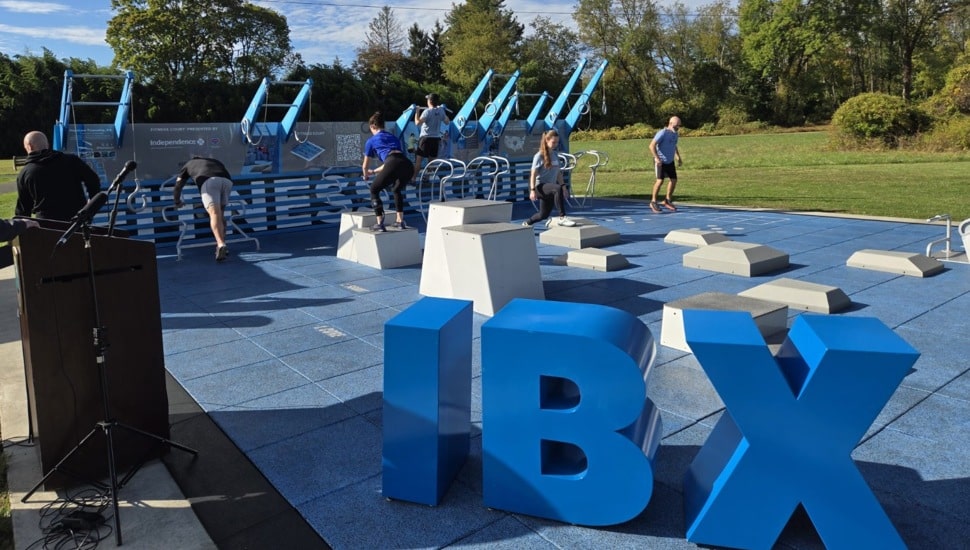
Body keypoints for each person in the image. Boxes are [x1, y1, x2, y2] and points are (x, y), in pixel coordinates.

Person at [15, 131, 102, 221]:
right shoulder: (72, 160)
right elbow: (93, 180)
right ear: (47, 144)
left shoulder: (25, 173)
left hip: (48, 223)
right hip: (76, 219)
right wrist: (91, 205)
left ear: (29, 146)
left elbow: (23, 209)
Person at [173, 156, 234, 262]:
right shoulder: (215, 161)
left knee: (214, 214)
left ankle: (220, 244)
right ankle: (223, 244)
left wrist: (177, 201)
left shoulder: (188, 164)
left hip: (210, 182)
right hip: (227, 181)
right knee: (220, 214)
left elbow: (178, 186)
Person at [362, 111, 414, 232]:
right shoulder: (393, 138)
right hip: (407, 164)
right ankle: (400, 221)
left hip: (393, 163)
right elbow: (392, 161)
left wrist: (365, 175)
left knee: (374, 189)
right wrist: (373, 172)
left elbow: (365, 165)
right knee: (396, 189)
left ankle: (380, 223)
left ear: (372, 126)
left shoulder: (371, 140)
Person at [521, 129, 576, 228]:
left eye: (557, 142)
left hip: (550, 188)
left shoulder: (555, 155)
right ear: (547, 140)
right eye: (553, 142)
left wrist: (564, 188)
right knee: (557, 188)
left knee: (543, 215)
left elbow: (558, 173)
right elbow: (533, 174)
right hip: (539, 187)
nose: (555, 144)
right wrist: (532, 190)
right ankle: (562, 217)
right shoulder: (539, 156)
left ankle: (526, 223)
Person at [648, 116, 683, 213]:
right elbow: (651, 145)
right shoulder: (662, 133)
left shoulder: (675, 134)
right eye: (676, 126)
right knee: (660, 181)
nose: (678, 128)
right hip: (660, 161)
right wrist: (657, 158)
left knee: (674, 180)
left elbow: (674, 145)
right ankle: (653, 202)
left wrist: (678, 157)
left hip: (670, 161)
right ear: (670, 124)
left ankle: (667, 200)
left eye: (679, 126)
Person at [413, 93, 450, 181]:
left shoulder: (427, 111)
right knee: (431, 162)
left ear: (429, 101)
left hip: (425, 138)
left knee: (418, 160)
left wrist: (417, 111)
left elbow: (417, 123)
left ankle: (413, 179)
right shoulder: (440, 111)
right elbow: (447, 122)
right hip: (435, 139)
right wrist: (442, 110)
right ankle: (427, 177)